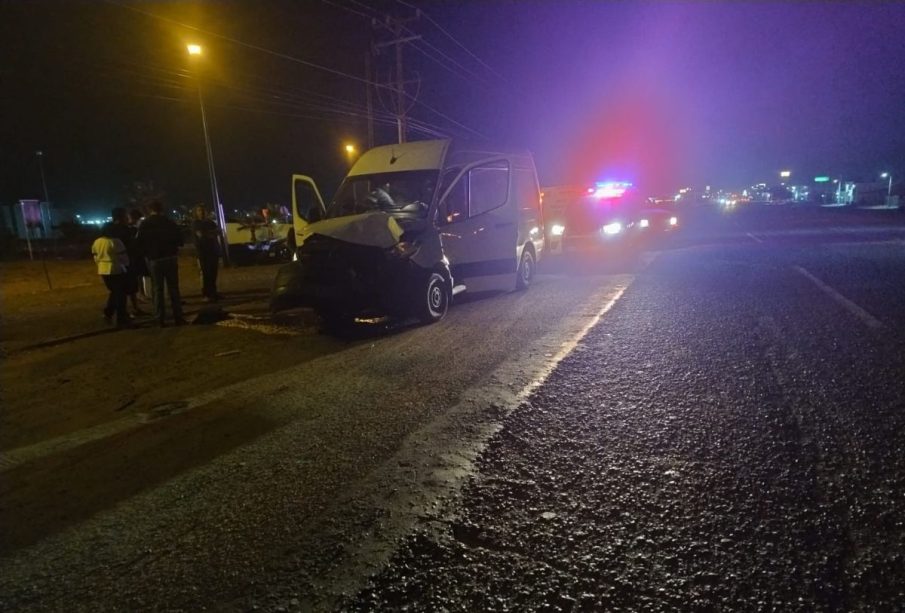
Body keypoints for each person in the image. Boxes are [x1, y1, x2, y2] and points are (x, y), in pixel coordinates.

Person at [136, 200, 186, 326]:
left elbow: (139, 243)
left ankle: (160, 319)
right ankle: (178, 317)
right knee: (174, 289)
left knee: (157, 289)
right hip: (170, 258)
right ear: (162, 209)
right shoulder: (169, 223)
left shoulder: (145, 224)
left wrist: (148, 253)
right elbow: (180, 240)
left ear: (149, 210)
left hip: (155, 260)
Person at [91, 223, 131, 328]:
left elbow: (95, 256)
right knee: (121, 294)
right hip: (115, 269)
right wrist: (126, 266)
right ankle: (121, 317)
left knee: (115, 292)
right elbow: (123, 257)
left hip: (103, 269)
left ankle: (109, 312)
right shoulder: (116, 242)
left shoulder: (97, 241)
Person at [191, 205, 222, 302]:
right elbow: (201, 235)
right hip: (203, 252)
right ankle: (206, 294)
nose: (202, 212)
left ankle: (213, 292)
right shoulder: (196, 223)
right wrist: (211, 233)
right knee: (205, 273)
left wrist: (209, 233)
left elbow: (219, 232)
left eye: (203, 210)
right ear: (196, 212)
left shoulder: (210, 222)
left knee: (213, 273)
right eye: (199, 210)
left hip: (213, 251)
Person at [128, 208, 152, 301]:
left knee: (140, 275)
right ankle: (140, 293)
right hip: (136, 255)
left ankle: (141, 293)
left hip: (138, 254)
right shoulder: (133, 228)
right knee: (138, 275)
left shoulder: (136, 228)